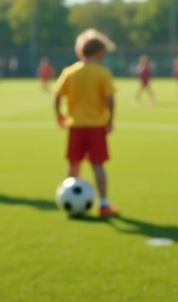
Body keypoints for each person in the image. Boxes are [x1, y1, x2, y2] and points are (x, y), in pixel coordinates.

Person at [54, 28, 119, 218]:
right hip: (96, 126)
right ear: (100, 54)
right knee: (97, 165)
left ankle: (69, 200)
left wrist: (59, 115)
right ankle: (104, 204)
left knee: (73, 164)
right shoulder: (102, 73)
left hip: (75, 125)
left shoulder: (70, 71)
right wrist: (110, 120)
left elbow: (57, 97)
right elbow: (110, 100)